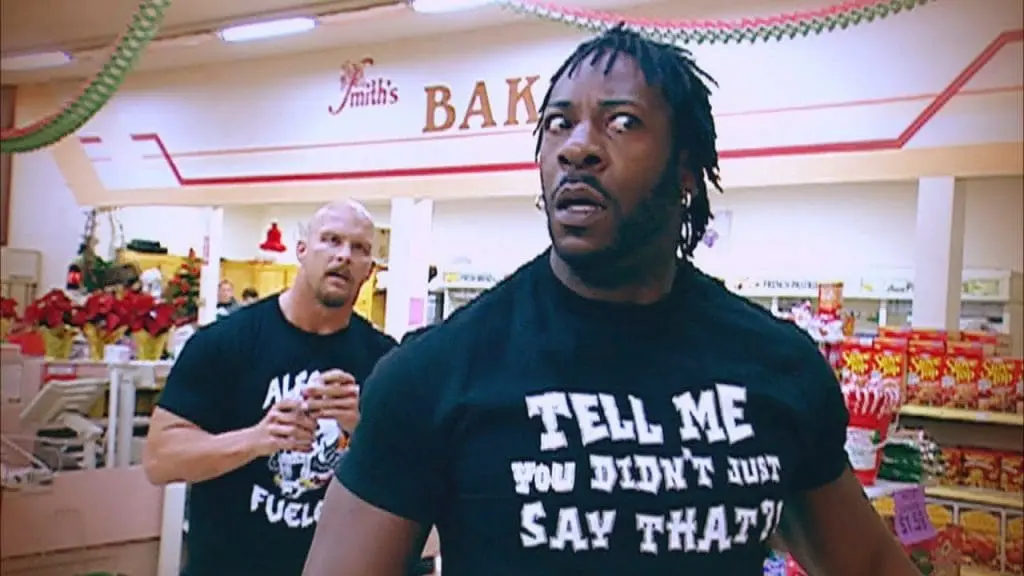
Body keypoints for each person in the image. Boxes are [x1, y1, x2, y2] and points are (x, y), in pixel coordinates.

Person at [304, 26, 921, 576]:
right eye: (558, 123)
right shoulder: (433, 373)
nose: (578, 147)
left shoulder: (777, 366)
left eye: (622, 122)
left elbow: (867, 563)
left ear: (686, 168)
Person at [143, 200, 398, 576]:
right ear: (302, 250)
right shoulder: (225, 342)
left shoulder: (385, 361)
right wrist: (258, 439)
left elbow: (413, 478)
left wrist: (365, 428)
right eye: (331, 240)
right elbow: (160, 461)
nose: (344, 255)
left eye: (359, 248)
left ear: (369, 270)